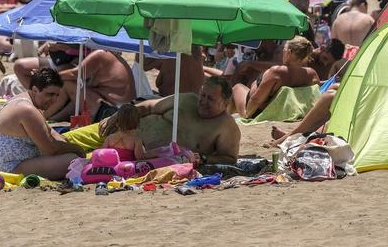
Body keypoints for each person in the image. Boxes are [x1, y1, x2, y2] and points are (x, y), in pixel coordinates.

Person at [98, 77, 240, 164]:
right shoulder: (187, 100)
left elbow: (229, 158)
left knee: (81, 158)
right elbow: (148, 107)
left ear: (226, 103)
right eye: (203, 95)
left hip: (127, 155)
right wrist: (116, 116)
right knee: (75, 138)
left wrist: (203, 158)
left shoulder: (226, 127)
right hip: (117, 127)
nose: (203, 101)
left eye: (210, 99)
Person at [0, 68, 84, 179]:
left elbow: (49, 131)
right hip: (7, 168)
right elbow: (51, 148)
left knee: (68, 154)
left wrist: (65, 142)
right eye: (50, 94)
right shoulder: (27, 110)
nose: (54, 100)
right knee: (72, 161)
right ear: (35, 90)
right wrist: (78, 149)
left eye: (57, 95)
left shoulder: (22, 100)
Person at [231, 36, 319, 118]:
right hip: (285, 111)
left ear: (288, 52)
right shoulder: (311, 73)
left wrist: (246, 115)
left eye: (283, 49)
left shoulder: (277, 72)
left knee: (237, 87)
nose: (282, 51)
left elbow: (256, 100)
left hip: (257, 110)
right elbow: (316, 92)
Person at [45, 50, 136, 122]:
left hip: (110, 111)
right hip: (123, 108)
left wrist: (47, 78)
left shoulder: (101, 53)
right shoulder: (113, 56)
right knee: (78, 93)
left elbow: (74, 74)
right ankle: (52, 118)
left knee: (67, 83)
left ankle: (45, 115)